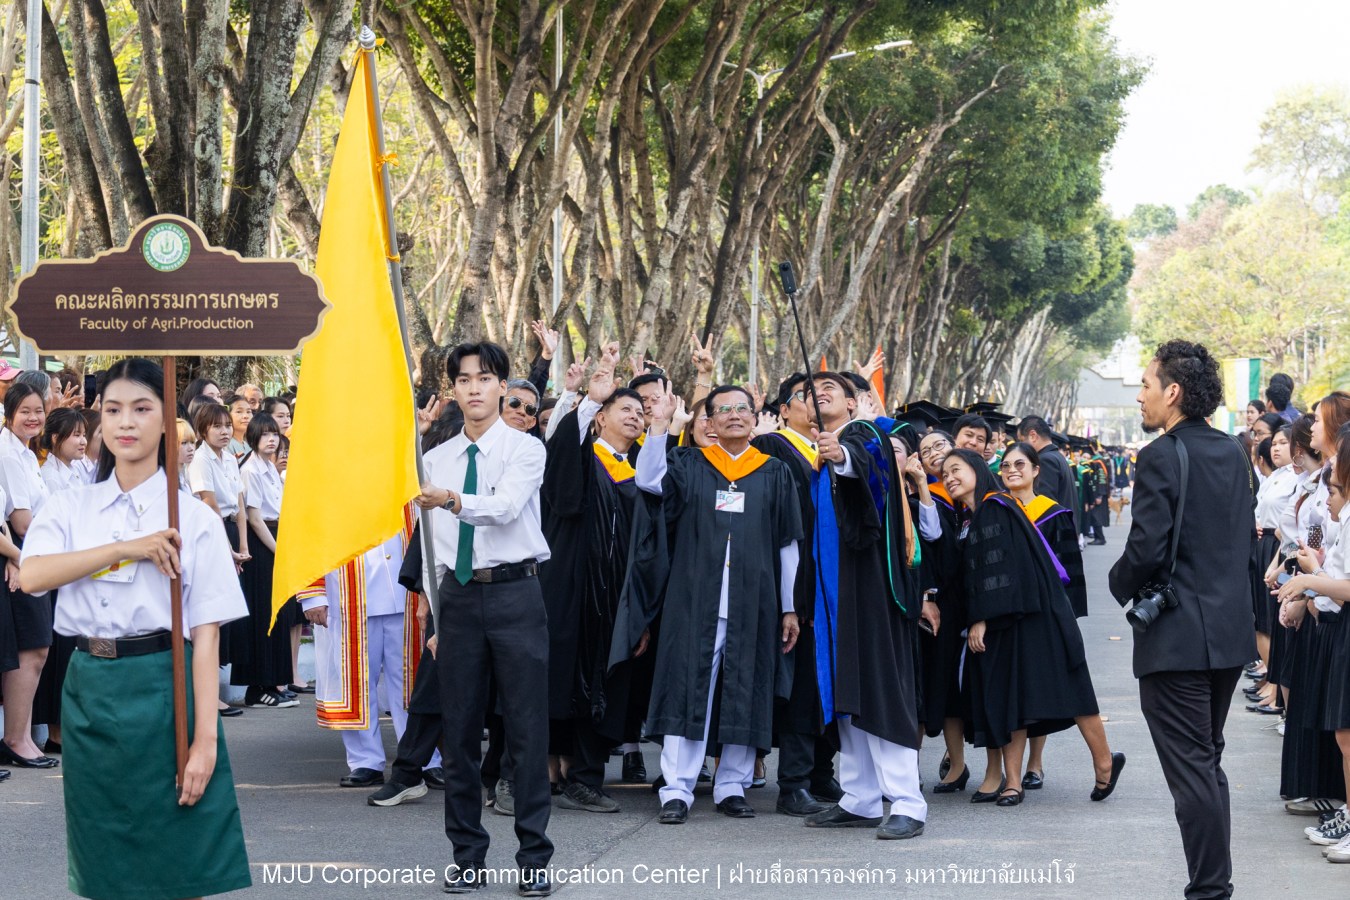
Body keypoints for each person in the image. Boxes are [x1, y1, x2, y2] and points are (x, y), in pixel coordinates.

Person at [18, 357, 251, 899]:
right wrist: (126, 548)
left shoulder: (193, 520)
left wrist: (205, 743)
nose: (126, 422)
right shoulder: (72, 507)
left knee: (177, 856)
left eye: (142, 409)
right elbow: (32, 575)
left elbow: (205, 636)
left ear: (167, 421)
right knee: (102, 857)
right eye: (113, 409)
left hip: (163, 684)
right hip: (89, 687)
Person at [1109, 339, 1257, 900]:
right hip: (1228, 633)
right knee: (1206, 761)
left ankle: (1210, 890)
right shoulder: (1233, 452)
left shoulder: (1160, 456)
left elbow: (1146, 548)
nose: (1141, 398)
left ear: (1172, 392)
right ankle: (1213, 885)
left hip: (1177, 639)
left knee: (1194, 768)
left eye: (1146, 386)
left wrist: (1117, 581)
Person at [415, 341, 554, 897]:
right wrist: (434, 616)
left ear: (502, 385)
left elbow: (503, 508)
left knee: (525, 728)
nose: (474, 388)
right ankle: (467, 854)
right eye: (464, 379)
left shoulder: (526, 449)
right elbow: (433, 549)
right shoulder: (434, 458)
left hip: (516, 595)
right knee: (460, 729)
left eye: (485, 377)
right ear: (453, 390)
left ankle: (534, 858)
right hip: (459, 602)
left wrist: (450, 499)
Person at [631, 383, 803, 826]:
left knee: (747, 685)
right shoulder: (689, 464)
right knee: (687, 685)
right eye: (721, 409)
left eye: (741, 408)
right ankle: (677, 787)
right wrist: (657, 427)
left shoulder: (774, 472)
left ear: (755, 415)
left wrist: (789, 606)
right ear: (707, 421)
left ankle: (732, 784)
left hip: (756, 600)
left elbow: (787, 544)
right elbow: (648, 480)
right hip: (694, 597)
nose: (733, 415)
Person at [944, 448, 1123, 808]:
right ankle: (1013, 782)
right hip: (1019, 614)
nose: (949, 477)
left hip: (1035, 616)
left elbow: (997, 572)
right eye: (945, 472)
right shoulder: (987, 511)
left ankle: (1104, 762)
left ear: (978, 470)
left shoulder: (993, 509)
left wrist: (980, 618)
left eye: (956, 469)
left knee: (1071, 688)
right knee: (1016, 694)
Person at [806, 408, 933, 839]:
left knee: (881, 694)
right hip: (833, 595)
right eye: (814, 391)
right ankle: (860, 799)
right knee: (848, 698)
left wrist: (841, 452)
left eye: (831, 390)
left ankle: (906, 802)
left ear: (853, 401)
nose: (820, 396)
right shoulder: (817, 455)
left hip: (873, 591)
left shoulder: (871, 436)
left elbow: (874, 471)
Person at [539, 349, 649, 813]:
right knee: (559, 680)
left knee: (606, 684)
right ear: (600, 419)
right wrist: (588, 400)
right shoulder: (585, 458)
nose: (636, 417)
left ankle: (585, 776)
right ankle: (541, 773)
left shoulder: (642, 471)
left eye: (640, 412)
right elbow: (561, 457)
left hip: (617, 601)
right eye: (625, 409)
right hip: (570, 591)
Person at [751, 374, 851, 817]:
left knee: (828, 681)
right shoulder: (772, 450)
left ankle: (819, 770)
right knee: (802, 685)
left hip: (833, 585)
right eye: (804, 396)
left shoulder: (833, 449)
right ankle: (792, 782)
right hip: (796, 583)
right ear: (784, 409)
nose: (814, 402)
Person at [301, 507, 434, 789]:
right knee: (354, 684)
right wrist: (312, 592)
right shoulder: (328, 471)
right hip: (347, 594)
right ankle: (365, 761)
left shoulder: (404, 465)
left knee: (414, 683)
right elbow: (307, 526)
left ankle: (424, 758)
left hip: (406, 591)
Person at [0, 381, 54, 768]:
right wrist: (21, 558)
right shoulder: (7, 452)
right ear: (9, 415)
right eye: (25, 412)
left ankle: (20, 738)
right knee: (30, 649)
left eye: (38, 410)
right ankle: (16, 739)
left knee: (36, 649)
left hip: (33, 552)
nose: (33, 417)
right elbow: (19, 518)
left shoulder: (25, 452)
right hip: (24, 553)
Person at [1016, 416, 1080, 534]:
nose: (1020, 447)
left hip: (1053, 536)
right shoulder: (1056, 457)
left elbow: (1045, 506)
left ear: (1033, 436)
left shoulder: (1044, 460)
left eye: (1021, 441)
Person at [223, 394, 253, 461]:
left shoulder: (247, 445)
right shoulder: (225, 444)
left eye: (248, 412)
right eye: (239, 412)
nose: (246, 416)